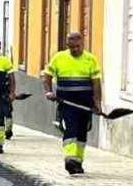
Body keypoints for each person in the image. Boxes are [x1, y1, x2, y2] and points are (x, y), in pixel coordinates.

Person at [43, 32, 102, 175]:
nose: (75, 49)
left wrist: (97, 103)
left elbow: (96, 82)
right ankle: (70, 159)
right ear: (67, 45)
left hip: (85, 103)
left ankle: (78, 161)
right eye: (72, 47)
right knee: (71, 129)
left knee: (82, 131)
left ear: (82, 44)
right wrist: (49, 91)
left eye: (77, 46)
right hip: (66, 102)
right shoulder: (59, 58)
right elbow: (47, 76)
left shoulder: (90, 59)